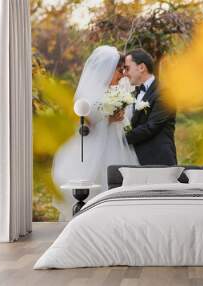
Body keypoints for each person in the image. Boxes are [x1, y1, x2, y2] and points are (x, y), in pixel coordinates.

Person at [52, 46, 138, 220]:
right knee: (93, 183)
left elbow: (123, 121)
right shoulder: (87, 95)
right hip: (91, 149)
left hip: (113, 144)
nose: (122, 75)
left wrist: (119, 117)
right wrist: (108, 119)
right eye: (119, 70)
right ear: (107, 70)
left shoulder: (115, 92)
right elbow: (84, 126)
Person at [110, 48, 177, 165]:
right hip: (136, 160)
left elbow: (151, 127)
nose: (124, 73)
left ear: (141, 67)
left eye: (127, 68)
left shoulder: (165, 93)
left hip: (159, 161)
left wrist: (120, 139)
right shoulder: (133, 94)